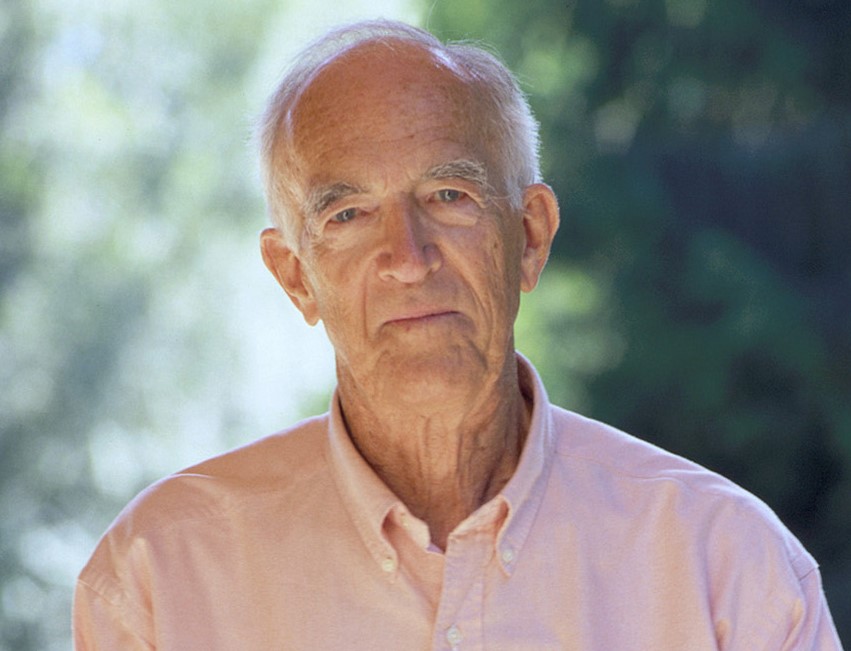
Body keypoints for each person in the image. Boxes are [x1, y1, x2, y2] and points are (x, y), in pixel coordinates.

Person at [73, 19, 843, 650]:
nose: (406, 259)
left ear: (531, 234)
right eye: (346, 216)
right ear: (295, 275)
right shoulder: (159, 579)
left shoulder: (727, 565)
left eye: (448, 195)